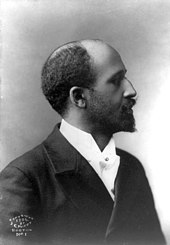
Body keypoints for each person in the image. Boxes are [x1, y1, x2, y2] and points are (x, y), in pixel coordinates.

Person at [0, 39, 166, 245]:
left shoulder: (131, 167)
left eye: (126, 77)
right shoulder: (25, 178)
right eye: (116, 81)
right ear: (79, 97)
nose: (131, 90)